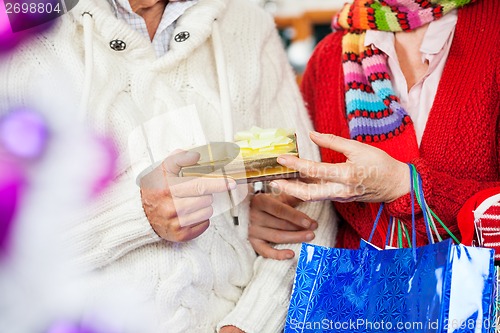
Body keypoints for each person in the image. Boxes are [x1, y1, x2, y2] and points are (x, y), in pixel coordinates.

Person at [0, 0, 337, 332]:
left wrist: (249, 324)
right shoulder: (24, 28)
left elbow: (309, 201)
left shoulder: (247, 25)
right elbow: (12, 243)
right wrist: (137, 214)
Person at [249, 0, 499, 257]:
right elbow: (314, 197)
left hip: (479, 292)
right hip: (354, 292)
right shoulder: (328, 57)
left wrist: (406, 186)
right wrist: (274, 211)